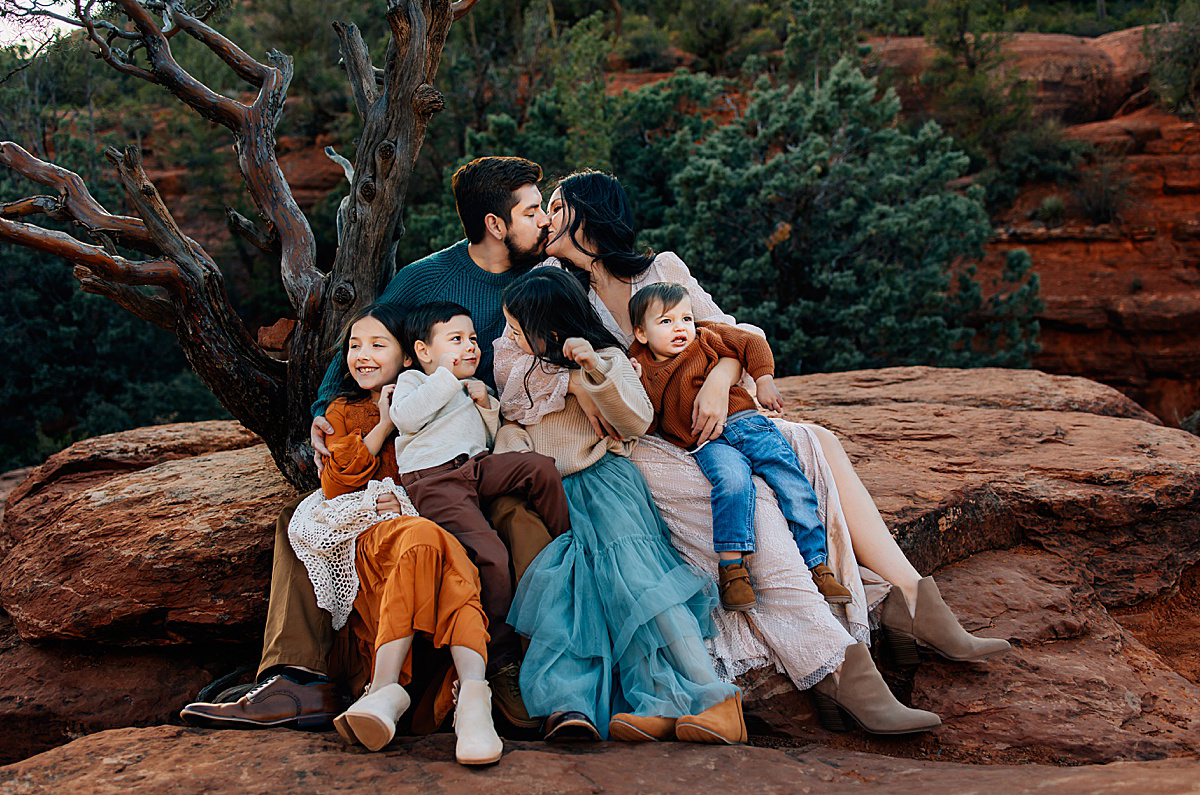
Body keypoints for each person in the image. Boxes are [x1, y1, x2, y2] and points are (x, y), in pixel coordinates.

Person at [495, 170, 1009, 735]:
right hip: (641, 441)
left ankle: (913, 598)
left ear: (587, 215)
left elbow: (729, 331)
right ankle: (839, 665)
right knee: (752, 498)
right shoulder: (550, 283)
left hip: (709, 411)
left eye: (556, 207)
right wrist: (574, 383)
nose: (545, 219)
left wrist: (720, 377)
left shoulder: (661, 270)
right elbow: (510, 366)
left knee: (817, 442)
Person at [181, 156, 554, 731]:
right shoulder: (429, 279)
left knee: (518, 520)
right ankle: (294, 681)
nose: (545, 222)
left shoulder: (545, 277)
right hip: (425, 455)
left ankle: (512, 671)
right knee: (303, 519)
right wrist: (321, 411)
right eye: (533, 211)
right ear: (496, 225)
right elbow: (368, 340)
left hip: (494, 447)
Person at [188, 303, 503, 764]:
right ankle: (307, 684)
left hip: (419, 530)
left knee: (438, 546)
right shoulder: (343, 409)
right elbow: (336, 483)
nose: (362, 355)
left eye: (378, 345)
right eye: (354, 346)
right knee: (309, 521)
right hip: (368, 540)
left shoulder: (437, 400)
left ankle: (456, 701)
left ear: (411, 356)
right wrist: (385, 423)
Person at [496, 267, 747, 745]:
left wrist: (592, 370)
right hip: (557, 494)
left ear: (548, 331)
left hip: (605, 485)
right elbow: (513, 426)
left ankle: (715, 699)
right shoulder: (529, 374)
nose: (508, 339)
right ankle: (653, 701)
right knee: (588, 596)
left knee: (640, 585)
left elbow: (634, 420)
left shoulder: (607, 358)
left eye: (515, 329)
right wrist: (513, 451)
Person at [626, 282, 852, 610]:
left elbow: (750, 342)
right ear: (641, 333)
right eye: (666, 322)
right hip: (706, 442)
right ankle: (733, 570)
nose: (680, 328)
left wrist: (764, 380)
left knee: (790, 480)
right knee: (731, 482)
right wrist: (636, 384)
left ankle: (818, 564)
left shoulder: (706, 336)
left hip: (747, 423)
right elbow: (648, 423)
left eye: (686, 318)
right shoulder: (641, 367)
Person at [389, 301, 571, 678]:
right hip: (434, 478)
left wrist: (486, 403)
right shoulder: (414, 382)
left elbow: (485, 435)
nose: (470, 347)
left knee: (538, 467)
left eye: (472, 339)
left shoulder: (472, 388)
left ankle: (567, 539)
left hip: (476, 467)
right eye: (455, 339)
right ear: (423, 351)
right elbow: (405, 417)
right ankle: (500, 649)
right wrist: (447, 378)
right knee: (491, 554)